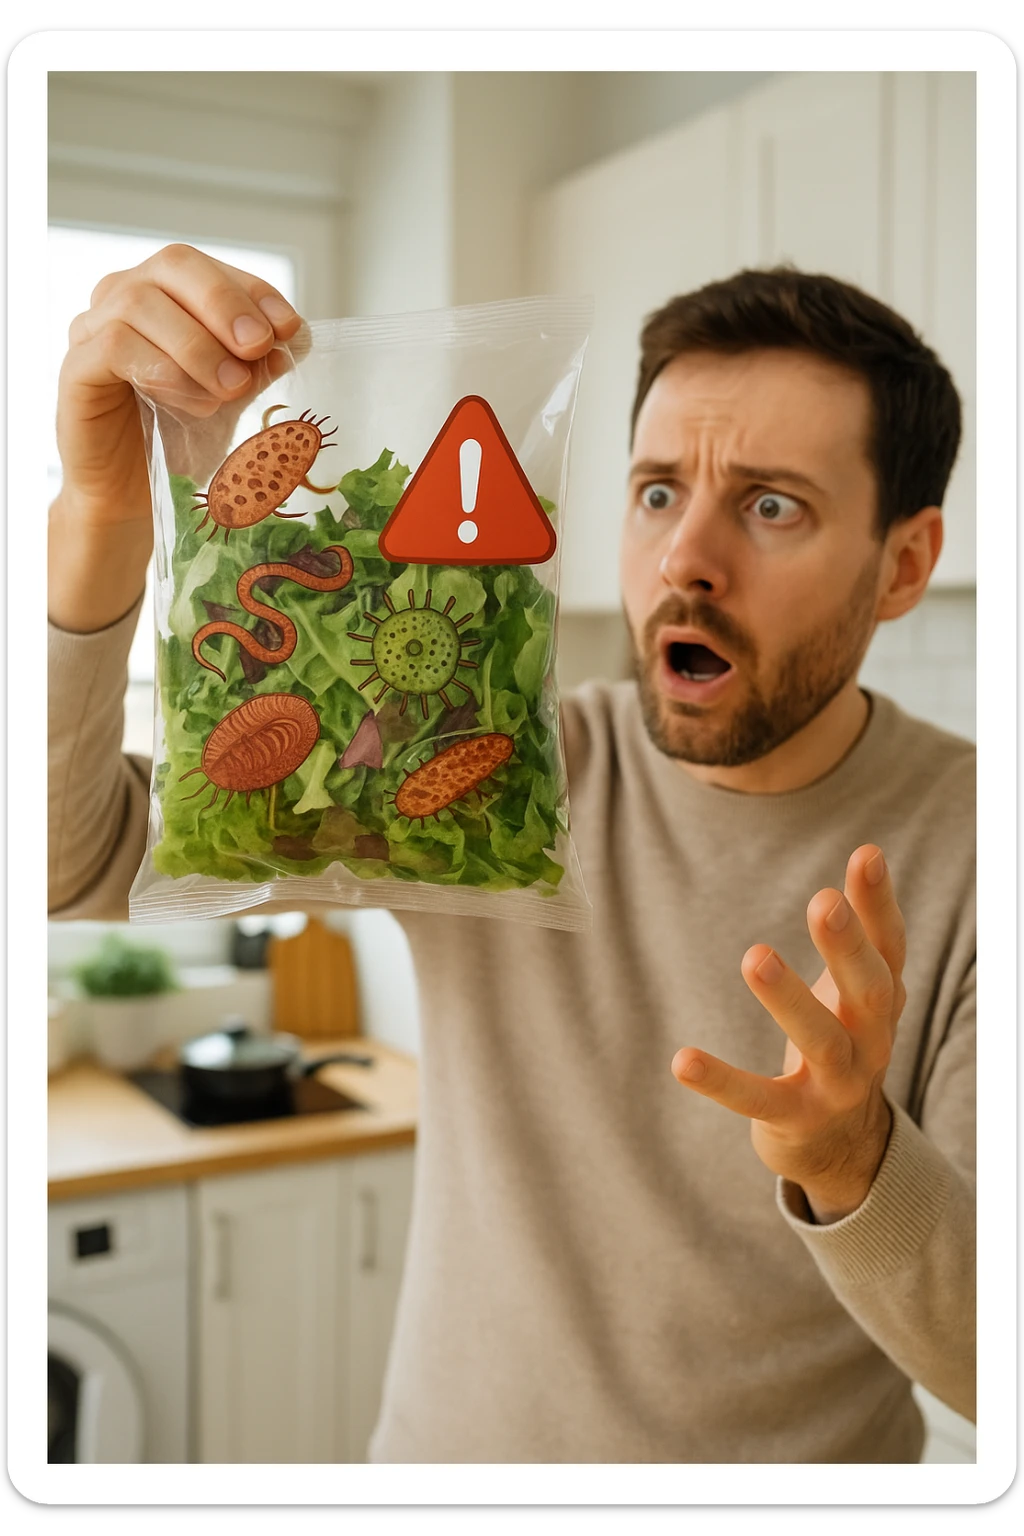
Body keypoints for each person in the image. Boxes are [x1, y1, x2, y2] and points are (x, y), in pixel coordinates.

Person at [48, 250, 975, 1464]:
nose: (684, 558)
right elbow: (71, 857)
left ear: (904, 564)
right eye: (655, 492)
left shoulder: (973, 844)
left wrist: (856, 1167)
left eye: (769, 505)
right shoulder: (491, 769)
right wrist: (104, 517)